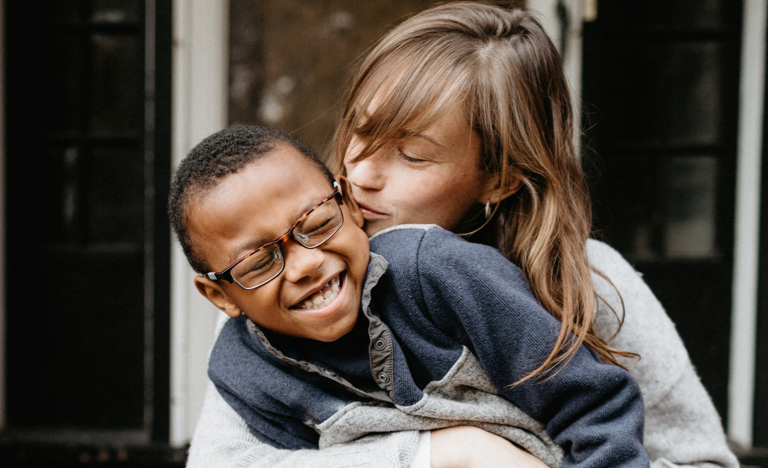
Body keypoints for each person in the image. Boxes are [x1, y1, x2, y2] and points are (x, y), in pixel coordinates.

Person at [186, 2, 739, 468]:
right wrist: (447, 454)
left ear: (497, 179)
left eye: (412, 154)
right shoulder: (278, 281)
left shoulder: (590, 283)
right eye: (361, 130)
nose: (362, 173)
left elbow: (704, 461)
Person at [170, 125, 648, 468]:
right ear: (220, 295)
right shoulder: (243, 369)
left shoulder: (437, 271)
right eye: (260, 263)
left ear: (350, 205)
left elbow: (592, 404)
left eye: (316, 225)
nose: (305, 263)